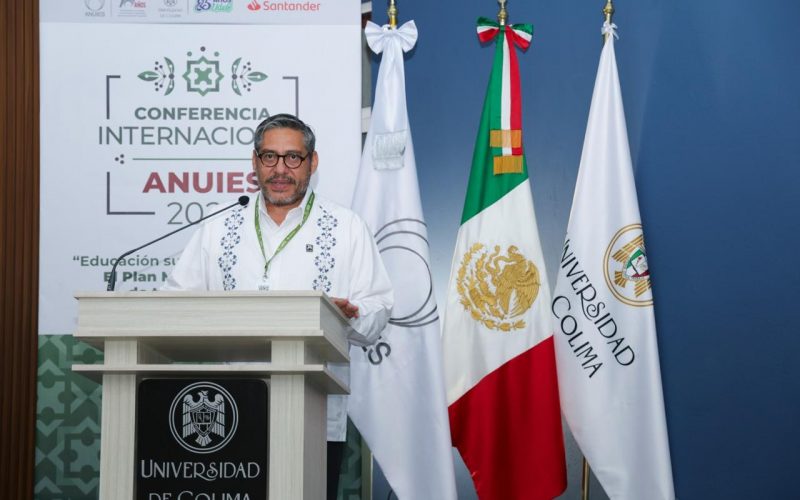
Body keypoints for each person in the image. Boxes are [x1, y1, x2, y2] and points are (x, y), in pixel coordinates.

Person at [164, 113, 393, 498]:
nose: (280, 169)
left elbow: (378, 308)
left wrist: (349, 316)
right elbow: (174, 304)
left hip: (314, 417)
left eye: (293, 157)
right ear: (255, 162)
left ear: (312, 162)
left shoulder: (346, 228)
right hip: (225, 414)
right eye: (269, 157)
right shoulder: (218, 228)